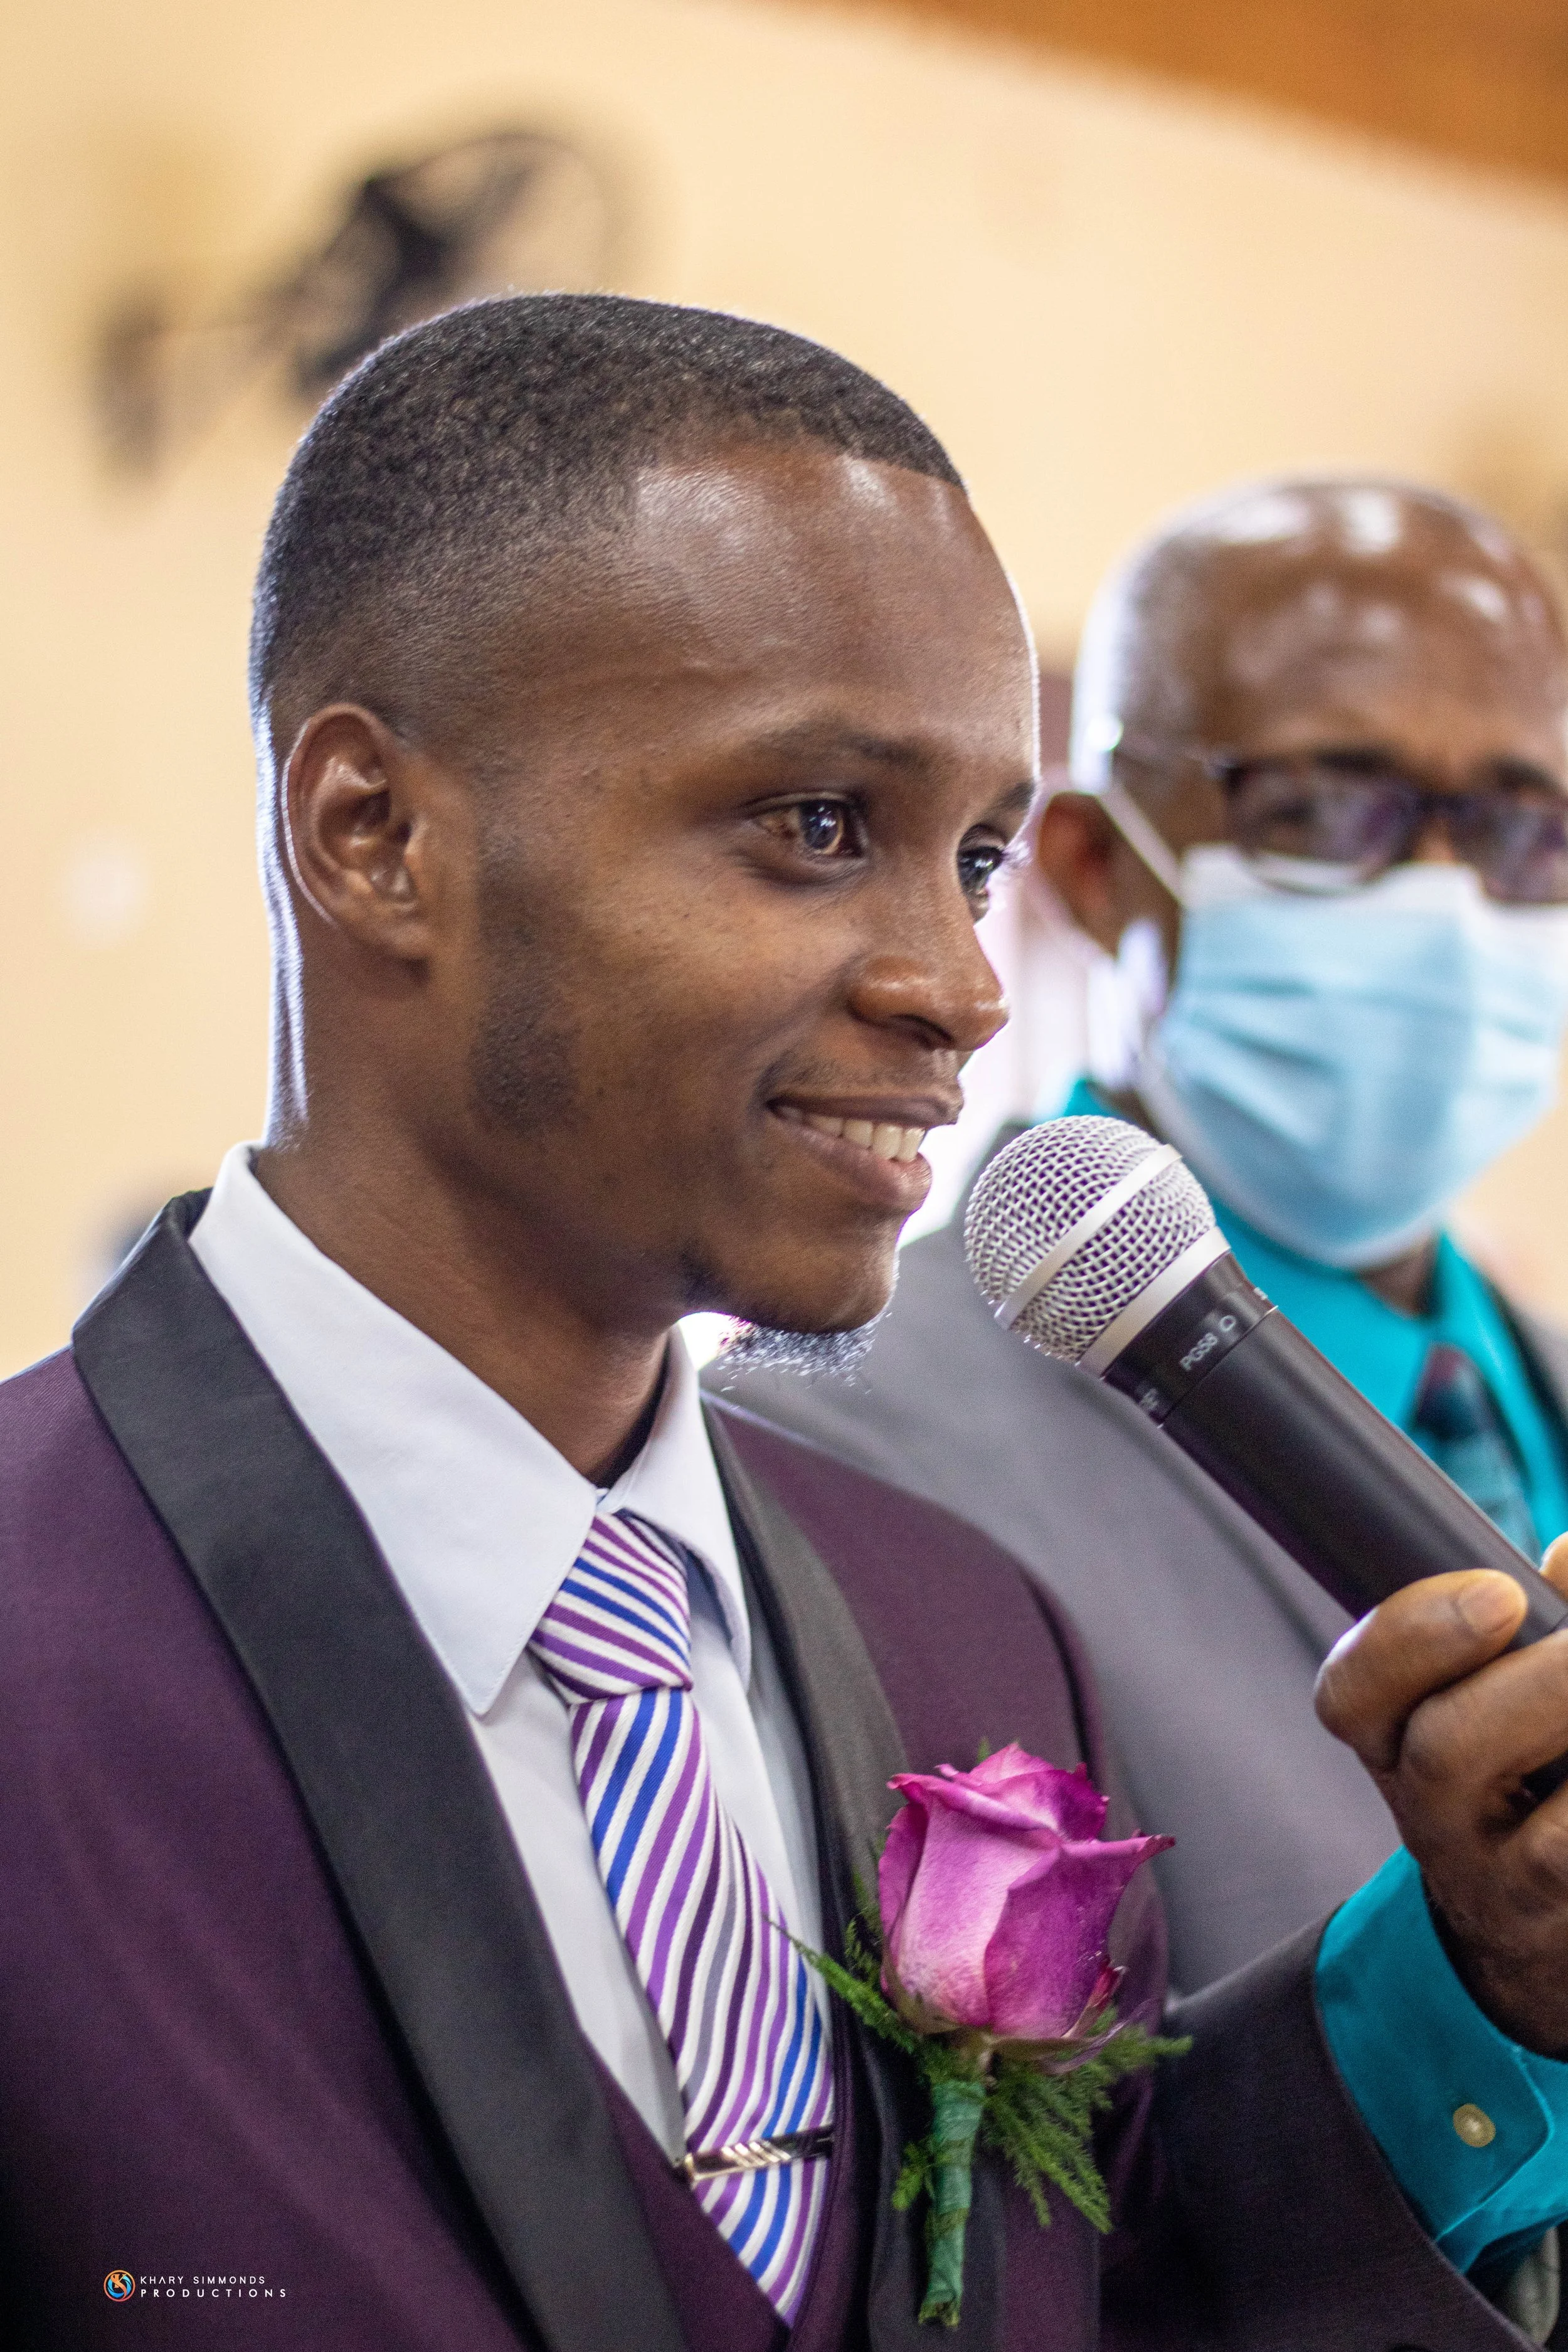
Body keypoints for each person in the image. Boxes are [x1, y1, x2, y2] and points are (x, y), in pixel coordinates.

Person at [2, 321, 1565, 2352]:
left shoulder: (961, 1627)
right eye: (819, 824)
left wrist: (1476, 1966)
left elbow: (1077, 2284)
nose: (960, 983)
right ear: (374, 833)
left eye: (979, 857)